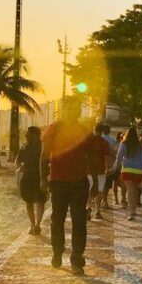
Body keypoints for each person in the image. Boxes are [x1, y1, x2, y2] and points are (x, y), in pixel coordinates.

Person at [40, 98, 90, 275]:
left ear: (78, 111)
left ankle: (77, 259)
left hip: (79, 182)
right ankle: (57, 250)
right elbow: (45, 154)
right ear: (62, 111)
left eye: (74, 109)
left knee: (79, 221)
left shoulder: (84, 130)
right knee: (57, 219)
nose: (70, 112)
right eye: (67, 109)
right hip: (58, 181)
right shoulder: (53, 129)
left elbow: (90, 156)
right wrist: (43, 178)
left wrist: (94, 181)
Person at [113, 126, 142, 221]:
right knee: (135, 191)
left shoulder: (123, 144)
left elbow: (119, 158)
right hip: (138, 172)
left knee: (130, 191)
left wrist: (113, 168)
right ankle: (134, 210)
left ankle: (131, 212)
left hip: (127, 171)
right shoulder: (141, 146)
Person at [16, 126, 46, 235]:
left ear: (34, 135)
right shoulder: (24, 147)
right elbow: (18, 160)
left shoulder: (42, 147)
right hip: (27, 178)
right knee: (29, 202)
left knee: (40, 201)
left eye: (28, 134)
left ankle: (37, 225)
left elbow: (48, 160)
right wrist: (20, 166)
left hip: (39, 177)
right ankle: (33, 225)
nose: (26, 135)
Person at [86, 122, 111, 220]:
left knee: (89, 189)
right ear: (102, 131)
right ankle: (97, 211)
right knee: (99, 190)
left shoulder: (89, 141)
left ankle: (88, 207)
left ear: (94, 130)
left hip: (89, 169)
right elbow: (107, 157)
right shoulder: (104, 142)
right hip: (100, 169)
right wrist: (108, 168)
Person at [101, 124, 119, 209]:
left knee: (101, 184)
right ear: (109, 131)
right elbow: (115, 154)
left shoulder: (99, 139)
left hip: (100, 164)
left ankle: (101, 201)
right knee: (107, 185)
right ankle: (105, 201)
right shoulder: (113, 141)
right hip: (110, 165)